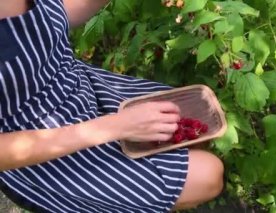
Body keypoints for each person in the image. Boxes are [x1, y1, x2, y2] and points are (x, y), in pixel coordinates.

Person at [0, 0, 224, 212]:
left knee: (195, 124)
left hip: (78, 85)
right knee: (206, 175)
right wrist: (114, 127)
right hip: (39, 145)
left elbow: (52, 16)